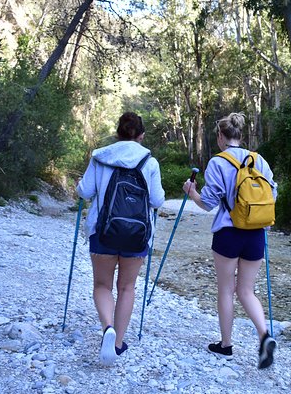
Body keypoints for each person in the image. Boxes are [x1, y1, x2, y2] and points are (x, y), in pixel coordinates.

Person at [182, 112, 277, 369]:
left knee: (225, 289)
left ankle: (225, 346)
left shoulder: (218, 162)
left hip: (228, 232)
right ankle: (265, 335)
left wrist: (192, 193)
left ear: (221, 137)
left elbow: (208, 203)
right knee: (246, 290)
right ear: (240, 135)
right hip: (256, 233)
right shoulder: (259, 160)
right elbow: (273, 195)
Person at [77, 112, 165, 366]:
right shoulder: (149, 162)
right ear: (141, 135)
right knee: (127, 287)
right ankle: (117, 344)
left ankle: (108, 328)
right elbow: (157, 201)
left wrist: (78, 186)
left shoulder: (100, 156)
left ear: (117, 132)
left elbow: (85, 191)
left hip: (102, 230)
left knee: (102, 286)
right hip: (137, 235)